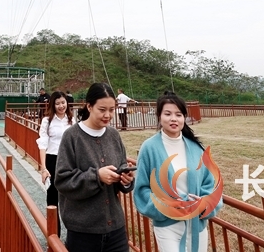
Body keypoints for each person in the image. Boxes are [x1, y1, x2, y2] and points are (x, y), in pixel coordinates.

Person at [134, 93, 223, 252]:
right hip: (168, 225)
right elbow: (142, 189)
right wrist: (168, 205)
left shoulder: (197, 149)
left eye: (178, 114)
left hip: (197, 224)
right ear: (159, 116)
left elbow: (211, 184)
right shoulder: (149, 148)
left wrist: (204, 203)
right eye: (167, 114)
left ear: (184, 118)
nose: (173, 119)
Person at [54, 82, 135, 252]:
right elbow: (62, 180)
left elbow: (120, 167)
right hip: (83, 231)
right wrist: (97, 176)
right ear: (89, 106)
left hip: (116, 228)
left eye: (112, 110)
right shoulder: (72, 136)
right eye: (102, 109)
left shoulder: (113, 135)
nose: (108, 115)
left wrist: (125, 181)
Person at [37, 91, 74, 237]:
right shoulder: (47, 121)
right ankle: (54, 236)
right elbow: (43, 143)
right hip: (52, 160)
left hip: (70, 161)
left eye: (63, 102)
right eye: (57, 103)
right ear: (53, 104)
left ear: (67, 103)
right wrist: (44, 167)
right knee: (52, 199)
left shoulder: (71, 120)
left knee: (72, 198)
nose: (61, 106)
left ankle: (73, 238)